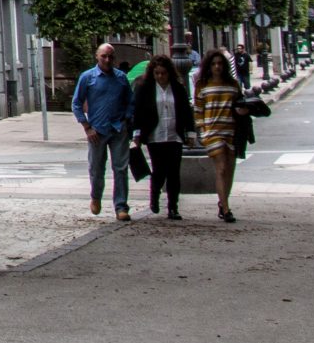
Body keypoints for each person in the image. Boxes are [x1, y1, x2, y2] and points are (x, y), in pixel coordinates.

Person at [71, 41, 136, 219]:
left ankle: (121, 206)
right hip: (96, 131)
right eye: (104, 56)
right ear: (97, 57)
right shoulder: (88, 77)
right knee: (97, 169)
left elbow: (130, 101)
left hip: (117, 129)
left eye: (111, 56)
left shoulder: (121, 78)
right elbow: (76, 103)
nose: (107, 60)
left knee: (120, 168)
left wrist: (127, 119)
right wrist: (86, 127)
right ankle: (96, 197)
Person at [130, 53, 195, 220]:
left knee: (174, 172)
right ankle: (155, 194)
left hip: (174, 134)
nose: (160, 77)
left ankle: (173, 207)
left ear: (169, 73)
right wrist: (136, 134)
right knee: (159, 170)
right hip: (155, 135)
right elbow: (138, 112)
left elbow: (186, 111)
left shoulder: (178, 88)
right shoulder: (145, 88)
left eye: (163, 73)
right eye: (157, 73)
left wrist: (190, 132)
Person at [194, 48, 244, 223]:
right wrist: (200, 130)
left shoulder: (233, 84)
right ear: (209, 66)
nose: (217, 67)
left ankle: (223, 202)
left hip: (230, 131)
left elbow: (240, 105)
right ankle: (226, 209)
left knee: (229, 170)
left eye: (220, 64)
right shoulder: (202, 85)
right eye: (214, 64)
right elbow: (198, 109)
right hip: (212, 132)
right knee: (221, 168)